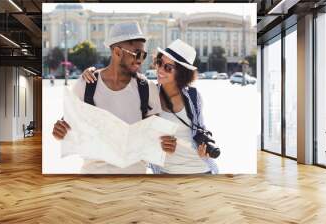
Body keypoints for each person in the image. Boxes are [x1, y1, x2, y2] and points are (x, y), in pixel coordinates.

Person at [52, 22, 177, 174]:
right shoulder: (86, 84)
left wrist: (166, 144)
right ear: (117, 52)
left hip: (134, 181)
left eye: (143, 55)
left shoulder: (147, 88)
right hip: (93, 180)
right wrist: (59, 132)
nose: (141, 60)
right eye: (137, 54)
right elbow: (68, 126)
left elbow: (157, 136)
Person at [81, 39, 218, 174]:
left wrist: (204, 146)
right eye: (159, 62)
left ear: (182, 73)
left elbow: (199, 129)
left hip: (200, 170)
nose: (160, 69)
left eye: (168, 67)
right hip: (164, 174)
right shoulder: (147, 92)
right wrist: (93, 73)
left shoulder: (193, 96)